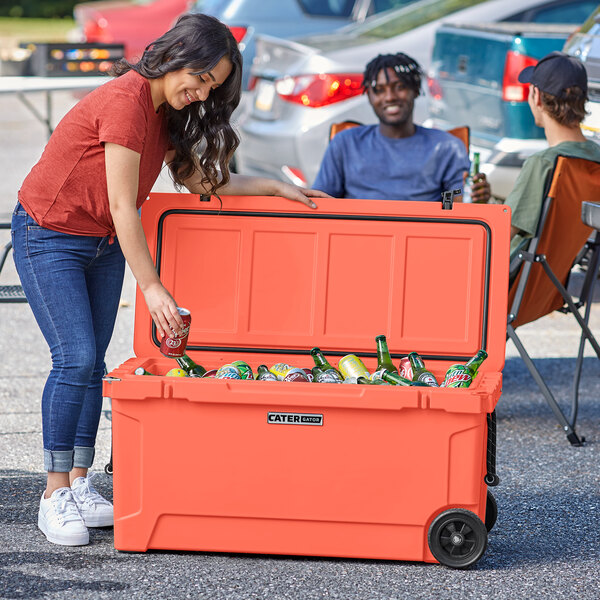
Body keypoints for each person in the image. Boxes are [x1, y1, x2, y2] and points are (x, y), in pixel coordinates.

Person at [11, 13, 327, 547]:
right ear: (176, 54)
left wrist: (273, 188)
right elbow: (120, 203)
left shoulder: (163, 112)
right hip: (50, 234)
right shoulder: (125, 101)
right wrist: (152, 287)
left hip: (103, 241)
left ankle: (82, 484)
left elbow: (199, 180)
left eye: (212, 86)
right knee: (76, 359)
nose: (200, 91)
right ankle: (53, 494)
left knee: (93, 364)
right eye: (200, 77)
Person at [312, 52, 490, 203]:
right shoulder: (346, 143)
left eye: (399, 87)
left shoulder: (447, 146)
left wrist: (473, 195)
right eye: (379, 90)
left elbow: (453, 200)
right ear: (369, 96)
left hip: (424, 238)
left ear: (415, 90)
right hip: (358, 237)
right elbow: (322, 201)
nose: (389, 97)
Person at [475, 51, 600, 259]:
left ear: (537, 97)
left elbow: (497, 236)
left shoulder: (543, 164)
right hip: (553, 286)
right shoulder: (595, 158)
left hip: (506, 285)